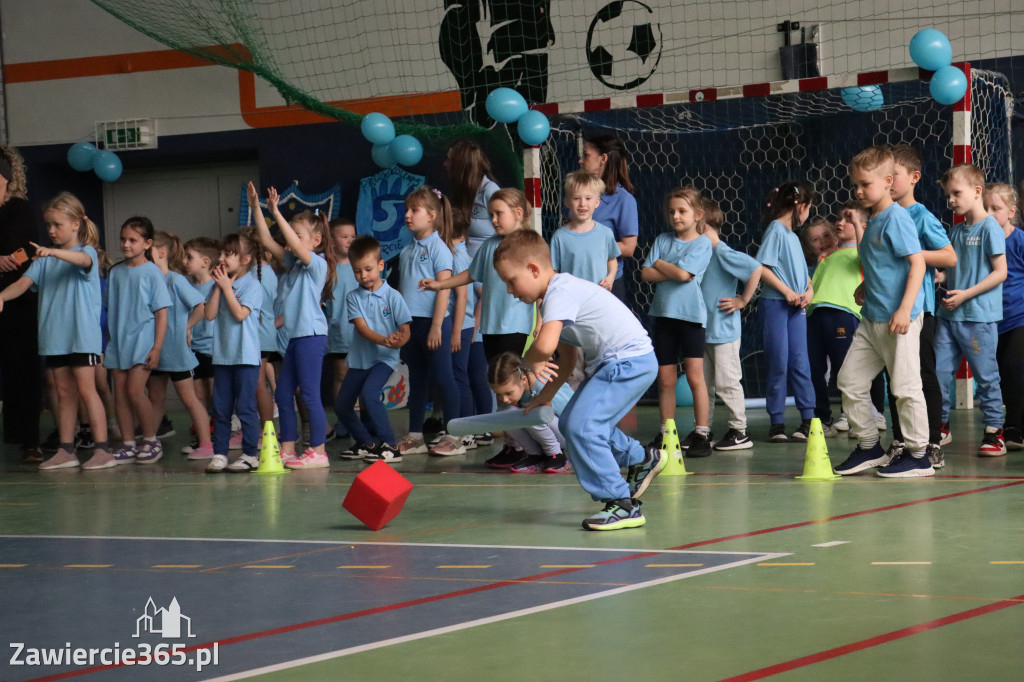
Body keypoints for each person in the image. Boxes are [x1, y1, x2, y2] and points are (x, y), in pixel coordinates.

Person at [494, 230, 660, 531]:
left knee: (583, 427)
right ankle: (642, 458)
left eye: (511, 281)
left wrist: (526, 363)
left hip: (628, 362)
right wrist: (545, 397)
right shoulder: (554, 299)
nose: (509, 290)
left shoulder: (560, 292)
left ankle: (622, 504)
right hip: (618, 364)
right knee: (572, 423)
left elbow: (545, 347)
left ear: (533, 269)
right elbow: (568, 358)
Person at [418, 188, 535, 467]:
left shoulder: (530, 244)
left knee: (517, 388)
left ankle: (531, 445)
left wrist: (541, 325)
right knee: (501, 390)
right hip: (491, 328)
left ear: (518, 213)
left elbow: (542, 289)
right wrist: (440, 284)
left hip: (516, 328)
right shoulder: (489, 245)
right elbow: (471, 275)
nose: (493, 220)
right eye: (491, 214)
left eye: (499, 214)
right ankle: (512, 444)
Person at [833, 146, 930, 478]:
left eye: (865, 184)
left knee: (905, 387)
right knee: (849, 381)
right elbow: (881, 263)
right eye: (855, 185)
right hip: (872, 318)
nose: (859, 191)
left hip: (898, 320)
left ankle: (919, 455)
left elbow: (917, 264)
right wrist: (866, 285)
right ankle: (869, 445)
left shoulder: (897, 218)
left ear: (888, 182)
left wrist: (904, 309)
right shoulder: (873, 219)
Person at [0, 192, 109, 469]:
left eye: (57, 225)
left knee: (87, 390)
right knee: (64, 393)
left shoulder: (87, 253)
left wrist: (53, 252)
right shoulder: (43, 261)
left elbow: (82, 261)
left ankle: (102, 450)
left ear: (76, 224)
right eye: (48, 225)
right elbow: (22, 284)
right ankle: (66, 450)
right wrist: (1, 296)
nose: (51, 230)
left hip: (81, 338)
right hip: (55, 339)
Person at [248, 182, 335, 469]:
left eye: (297, 235)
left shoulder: (317, 264)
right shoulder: (292, 264)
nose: (289, 242)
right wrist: (258, 208)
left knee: (309, 395)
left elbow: (296, 245)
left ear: (316, 241)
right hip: (295, 339)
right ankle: (287, 448)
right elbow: (266, 238)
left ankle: (318, 451)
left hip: (311, 337)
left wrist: (277, 211)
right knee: (284, 394)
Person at [883, 145, 957, 466]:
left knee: (924, 375)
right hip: (889, 309)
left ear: (914, 177)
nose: (888, 182)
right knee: (895, 379)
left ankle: (932, 442)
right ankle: (901, 440)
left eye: (894, 175)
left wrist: (914, 255)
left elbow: (949, 257)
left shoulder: (921, 216)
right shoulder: (884, 217)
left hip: (919, 311)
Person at [934, 164, 1007, 456]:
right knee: (939, 373)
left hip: (978, 317)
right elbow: (953, 272)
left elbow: (1000, 272)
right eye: (947, 195)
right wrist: (938, 277)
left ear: (977, 191)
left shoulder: (990, 228)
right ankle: (940, 426)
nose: (951, 200)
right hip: (948, 317)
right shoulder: (954, 232)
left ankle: (994, 431)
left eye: (956, 193)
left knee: (986, 377)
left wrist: (965, 295)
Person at [640, 187, 713, 457]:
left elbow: (684, 275)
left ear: (698, 214)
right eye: (672, 212)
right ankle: (666, 433)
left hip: (691, 319)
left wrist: (660, 263)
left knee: (694, 376)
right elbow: (645, 274)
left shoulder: (703, 243)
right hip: (664, 317)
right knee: (666, 378)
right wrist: (673, 270)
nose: (676, 216)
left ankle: (702, 433)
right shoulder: (662, 239)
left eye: (682, 211)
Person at [396, 186, 463, 457]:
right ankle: (415, 436)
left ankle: (455, 436)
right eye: (406, 210)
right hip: (411, 325)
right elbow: (402, 290)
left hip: (433, 324)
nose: (407, 215)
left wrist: (436, 326)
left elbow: (444, 289)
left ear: (432, 215)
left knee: (444, 378)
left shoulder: (439, 249)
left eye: (414, 210)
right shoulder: (406, 250)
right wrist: (400, 323)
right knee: (417, 379)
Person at [335, 236, 411, 462]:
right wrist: (385, 339)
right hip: (360, 360)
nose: (363, 275)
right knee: (341, 405)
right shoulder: (352, 297)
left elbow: (405, 329)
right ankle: (367, 443)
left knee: (369, 394)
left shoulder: (393, 296)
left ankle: (391, 445)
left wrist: (399, 341)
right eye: (357, 271)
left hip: (384, 359)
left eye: (368, 269)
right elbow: (362, 329)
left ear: (380, 265)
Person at [104, 216, 171, 465]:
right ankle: (129, 444)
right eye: (123, 239)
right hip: (119, 342)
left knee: (134, 391)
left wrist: (157, 347)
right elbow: (110, 307)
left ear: (147, 243)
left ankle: (151, 440)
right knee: (121, 394)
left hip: (143, 341)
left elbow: (161, 314)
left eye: (133, 240)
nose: (126, 244)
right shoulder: (115, 272)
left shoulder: (153, 273)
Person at [756, 181, 816, 442]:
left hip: (796, 307)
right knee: (778, 361)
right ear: (801, 207)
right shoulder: (776, 230)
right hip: (776, 305)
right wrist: (787, 292)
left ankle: (808, 420)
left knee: (800, 362)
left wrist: (809, 291)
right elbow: (762, 267)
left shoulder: (793, 236)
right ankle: (777, 423)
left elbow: (803, 274)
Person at [699, 199, 761, 451]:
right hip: (705, 330)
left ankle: (739, 431)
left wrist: (742, 300)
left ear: (702, 223)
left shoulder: (721, 251)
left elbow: (755, 269)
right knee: (704, 385)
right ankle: (702, 430)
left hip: (723, 331)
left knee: (727, 382)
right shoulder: (701, 253)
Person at [146, 232, 212, 460]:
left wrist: (187, 327)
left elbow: (200, 306)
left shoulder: (175, 280)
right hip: (157, 351)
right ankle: (149, 442)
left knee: (189, 398)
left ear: (162, 253)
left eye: (149, 253)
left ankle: (206, 444)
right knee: (155, 398)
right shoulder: (149, 280)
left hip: (177, 352)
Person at [203, 232, 263, 472]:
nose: (221, 258)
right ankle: (220, 453)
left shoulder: (252, 285)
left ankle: (250, 454)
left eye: (228, 254)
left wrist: (227, 287)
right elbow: (209, 315)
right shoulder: (219, 285)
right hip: (223, 357)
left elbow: (240, 314)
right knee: (221, 409)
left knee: (246, 408)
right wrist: (220, 287)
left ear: (245, 259)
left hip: (245, 357)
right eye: (221, 253)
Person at [0, 146, 43, 462]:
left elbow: (27, 250)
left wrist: (9, 259)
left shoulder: (20, 209)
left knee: (22, 369)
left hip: (18, 298)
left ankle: (29, 439)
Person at [806, 206, 864, 437]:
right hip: (815, 315)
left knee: (845, 367)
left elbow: (868, 256)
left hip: (843, 313)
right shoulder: (824, 261)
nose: (822, 241)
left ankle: (851, 416)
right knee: (815, 369)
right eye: (816, 239)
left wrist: (858, 225)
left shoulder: (860, 252)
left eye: (826, 235)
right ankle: (822, 417)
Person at [487, 352, 571, 473]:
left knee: (532, 413)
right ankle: (535, 455)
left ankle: (557, 455)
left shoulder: (543, 385)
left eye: (509, 393)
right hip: (551, 432)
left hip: (569, 434)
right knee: (505, 413)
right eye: (499, 395)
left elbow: (572, 416)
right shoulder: (520, 390)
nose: (504, 399)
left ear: (523, 380)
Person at [579, 134, 639, 302]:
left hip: (606, 282)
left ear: (603, 159)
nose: (581, 161)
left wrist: (586, 244)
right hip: (577, 279)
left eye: (586, 155)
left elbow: (628, 248)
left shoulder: (624, 200)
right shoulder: (577, 194)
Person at [987, 183, 1024, 450]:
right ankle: (1004, 425)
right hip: (990, 319)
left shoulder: (1020, 241)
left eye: (996, 208)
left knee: (1013, 367)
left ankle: (1014, 426)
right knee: (998, 373)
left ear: (1011, 211)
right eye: (985, 208)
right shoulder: (981, 242)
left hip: (1018, 317)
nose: (989, 214)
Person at [182, 236, 219, 456]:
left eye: (189, 257)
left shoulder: (216, 285)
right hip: (192, 349)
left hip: (213, 348)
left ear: (205, 262)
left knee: (215, 393)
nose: (184, 261)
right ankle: (203, 436)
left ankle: (219, 433)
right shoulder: (185, 286)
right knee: (198, 394)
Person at [550, 171, 619, 287]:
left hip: (598, 294)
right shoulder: (559, 237)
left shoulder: (606, 233)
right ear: (567, 202)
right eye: (576, 198)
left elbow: (612, 260)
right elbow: (554, 271)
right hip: (571, 295)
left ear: (597, 202)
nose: (582, 203)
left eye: (588, 198)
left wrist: (611, 277)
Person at [324, 218, 357, 440]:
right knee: (341, 376)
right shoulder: (326, 269)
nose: (349, 241)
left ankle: (365, 421)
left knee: (362, 378)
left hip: (362, 333)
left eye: (353, 236)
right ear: (331, 240)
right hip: (337, 333)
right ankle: (343, 420)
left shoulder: (360, 265)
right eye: (344, 237)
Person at [445, 139, 500, 258]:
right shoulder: (461, 191)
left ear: (461, 165)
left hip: (487, 261)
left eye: (449, 160)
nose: (445, 164)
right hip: (464, 259)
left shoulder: (490, 190)